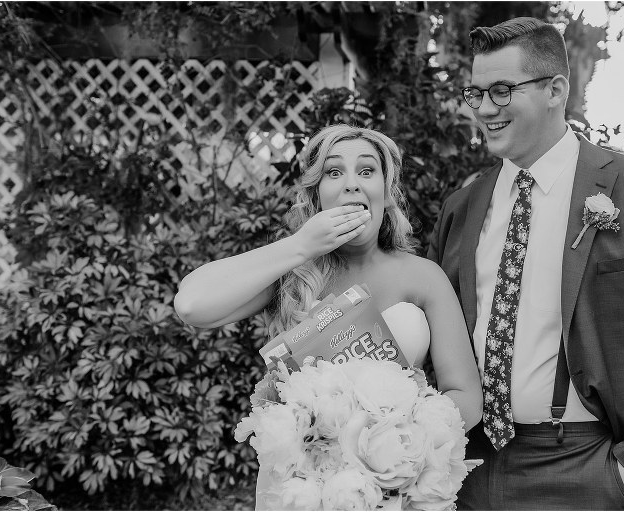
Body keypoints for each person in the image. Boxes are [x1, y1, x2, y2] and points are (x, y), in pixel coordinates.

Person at [427, 17, 624, 511]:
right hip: (471, 469)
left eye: (500, 91)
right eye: (474, 94)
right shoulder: (462, 206)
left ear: (555, 90)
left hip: (590, 466)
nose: (483, 109)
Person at [174, 124, 483, 508]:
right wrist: (300, 245)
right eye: (334, 173)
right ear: (317, 195)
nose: (352, 184)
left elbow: (466, 396)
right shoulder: (291, 274)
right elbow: (191, 304)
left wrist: (394, 449)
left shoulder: (422, 276)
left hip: (394, 485)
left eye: (367, 171)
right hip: (301, 488)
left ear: (387, 193)